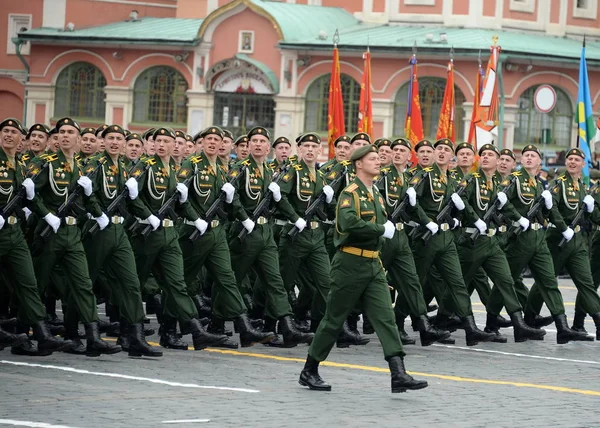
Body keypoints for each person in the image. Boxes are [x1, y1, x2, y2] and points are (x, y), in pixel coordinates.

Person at [299, 144, 428, 393]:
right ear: (359, 163)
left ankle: (398, 373)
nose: (378, 161)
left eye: (379, 158)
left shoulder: (375, 194)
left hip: (373, 264)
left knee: (385, 318)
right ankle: (310, 369)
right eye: (372, 158)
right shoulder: (351, 193)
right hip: (349, 264)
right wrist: (381, 229)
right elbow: (347, 222)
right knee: (333, 320)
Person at [128, 127, 230, 350]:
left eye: (168, 141)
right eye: (159, 141)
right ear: (153, 144)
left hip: (170, 234)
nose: (164, 145)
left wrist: (195, 219)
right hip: (146, 235)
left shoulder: (175, 170)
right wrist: (147, 215)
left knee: (177, 284)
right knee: (133, 284)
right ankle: (130, 333)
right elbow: (132, 198)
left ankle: (193, 331)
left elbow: (181, 203)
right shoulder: (145, 166)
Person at [27, 117, 122, 357]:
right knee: (35, 284)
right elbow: (30, 194)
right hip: (48, 232)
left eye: (71, 132)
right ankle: (25, 335)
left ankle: (92, 337)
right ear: (57, 138)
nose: (66, 136)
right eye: (62, 132)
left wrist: (99, 214)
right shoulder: (44, 162)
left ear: (78, 139)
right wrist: (46, 214)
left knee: (83, 284)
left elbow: (87, 199)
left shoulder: (82, 167)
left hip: (72, 233)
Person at [176, 126, 274, 348]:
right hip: (194, 232)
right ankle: (169, 327)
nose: (213, 143)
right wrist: (194, 218)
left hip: (217, 232)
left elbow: (226, 205)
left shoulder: (221, 169)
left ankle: (244, 328)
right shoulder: (191, 164)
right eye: (209, 139)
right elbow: (181, 198)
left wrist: (233, 208)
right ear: (202, 142)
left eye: (217, 140)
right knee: (182, 280)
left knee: (227, 279)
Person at [486, 144, 588, 344]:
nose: (529, 158)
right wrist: (517, 218)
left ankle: (562, 327)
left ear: (540, 162)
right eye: (526, 156)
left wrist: (549, 209)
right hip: (518, 239)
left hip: (538, 238)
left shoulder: (539, 184)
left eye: (533, 156)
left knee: (549, 281)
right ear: (522, 160)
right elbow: (500, 201)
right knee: (507, 281)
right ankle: (491, 323)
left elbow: (545, 212)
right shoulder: (514, 179)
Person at [227, 126, 313, 347]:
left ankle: (286, 326)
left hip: (265, 233)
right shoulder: (240, 167)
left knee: (275, 281)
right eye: (253, 141)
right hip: (244, 231)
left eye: (261, 141)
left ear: (267, 146)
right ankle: (220, 323)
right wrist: (243, 216)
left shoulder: (269, 171)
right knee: (231, 280)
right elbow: (231, 195)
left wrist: (282, 204)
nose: (257, 144)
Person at [83, 124, 163, 357]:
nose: (116, 142)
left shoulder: (125, 168)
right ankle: (80, 334)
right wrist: (98, 214)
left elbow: (130, 200)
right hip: (98, 230)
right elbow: (87, 196)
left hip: (119, 231)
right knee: (85, 282)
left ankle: (134, 337)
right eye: (111, 138)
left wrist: (148, 216)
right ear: (104, 141)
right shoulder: (95, 165)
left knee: (130, 282)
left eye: (120, 139)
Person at [455, 143, 546, 343]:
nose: (486, 157)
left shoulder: (497, 182)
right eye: (483, 154)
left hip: (493, 241)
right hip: (472, 241)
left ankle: (519, 324)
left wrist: (518, 218)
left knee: (506, 280)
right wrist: (473, 218)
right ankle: (447, 320)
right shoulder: (472, 179)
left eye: (491, 155)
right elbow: (462, 204)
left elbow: (503, 206)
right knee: (459, 285)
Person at [409, 138, 495, 346]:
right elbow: (411, 203)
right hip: (426, 238)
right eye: (439, 148)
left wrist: (455, 218)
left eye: (446, 150)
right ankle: (403, 322)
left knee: (457, 283)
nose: (441, 152)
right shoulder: (424, 175)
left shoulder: (453, 180)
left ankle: (470, 328)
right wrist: (426, 221)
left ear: (451, 157)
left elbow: (456, 207)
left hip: (447, 238)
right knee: (414, 282)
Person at [0, 118, 72, 356]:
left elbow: (27, 198)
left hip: (14, 232)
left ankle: (41, 334)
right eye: (5, 131)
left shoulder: (20, 165)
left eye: (13, 132)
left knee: (28, 283)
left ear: (22, 138)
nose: (9, 135)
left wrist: (45, 214)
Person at [526, 147, 600, 340]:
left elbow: (590, 215)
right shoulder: (558, 183)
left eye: (577, 159)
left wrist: (592, 210)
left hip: (577, 240)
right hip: (557, 238)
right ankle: (530, 316)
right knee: (546, 280)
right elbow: (552, 209)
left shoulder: (582, 186)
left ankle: (597, 321)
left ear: (583, 164)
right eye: (570, 159)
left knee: (586, 283)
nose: (573, 162)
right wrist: (562, 227)